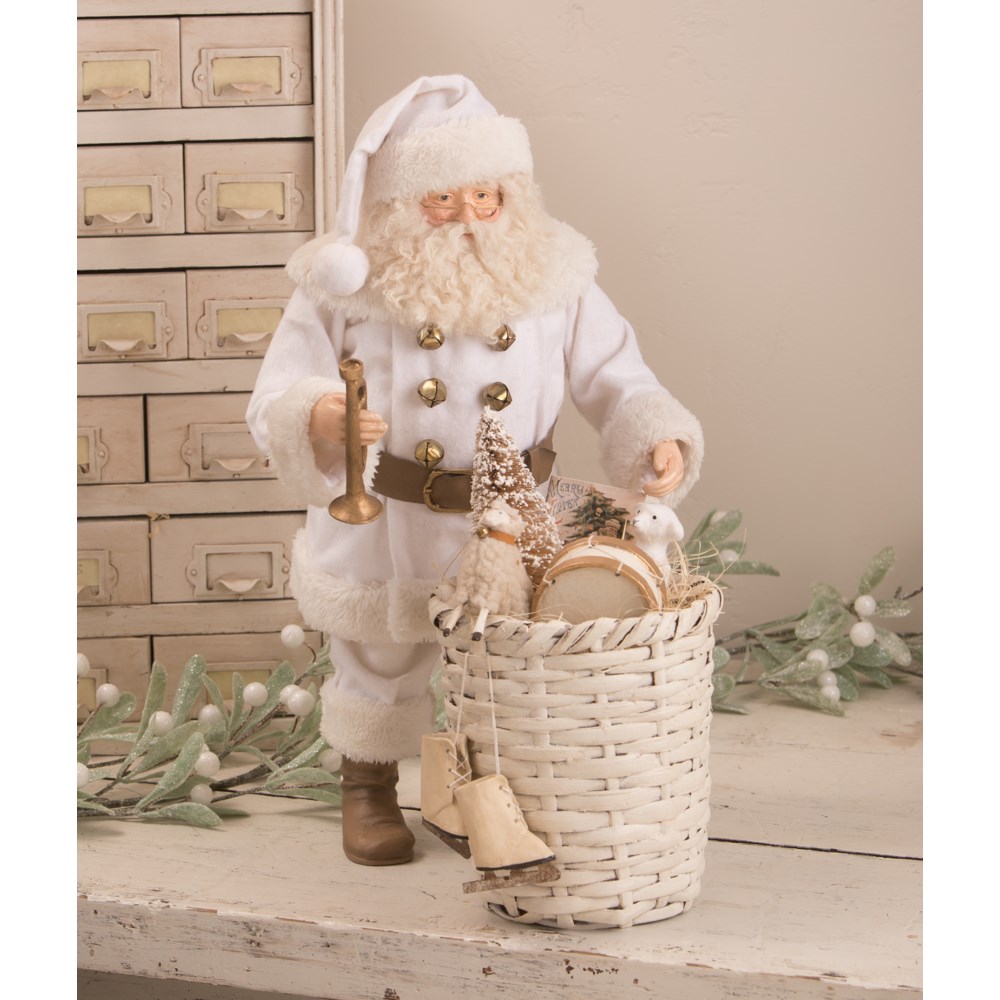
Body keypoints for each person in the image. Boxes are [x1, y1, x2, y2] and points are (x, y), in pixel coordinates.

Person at [246, 75, 704, 867]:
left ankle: (487, 798)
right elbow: (279, 388)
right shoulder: (349, 283)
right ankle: (368, 783)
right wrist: (319, 415)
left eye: (485, 197)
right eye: (443, 200)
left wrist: (655, 433)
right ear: (400, 202)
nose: (468, 218)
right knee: (381, 653)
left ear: (510, 194)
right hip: (388, 512)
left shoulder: (553, 273)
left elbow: (614, 372)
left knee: (504, 664)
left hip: (507, 516)